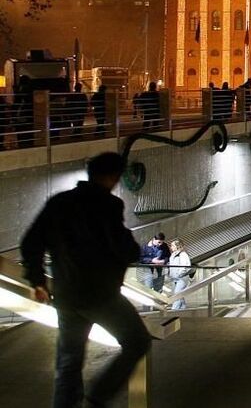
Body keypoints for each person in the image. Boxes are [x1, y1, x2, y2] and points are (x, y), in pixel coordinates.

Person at [20, 152, 152, 408]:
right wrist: (134, 252)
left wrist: (37, 281)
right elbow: (123, 247)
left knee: (68, 361)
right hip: (102, 295)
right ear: (113, 177)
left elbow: (31, 243)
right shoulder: (108, 206)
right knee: (137, 341)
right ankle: (98, 397)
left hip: (66, 295)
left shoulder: (58, 202)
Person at [168, 239, 192, 310]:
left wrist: (179, 274)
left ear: (177, 246)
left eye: (172, 245)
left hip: (181, 278)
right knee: (180, 295)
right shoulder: (173, 254)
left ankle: (174, 310)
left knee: (177, 294)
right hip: (174, 278)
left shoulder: (183, 254)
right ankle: (183, 309)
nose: (171, 247)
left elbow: (185, 266)